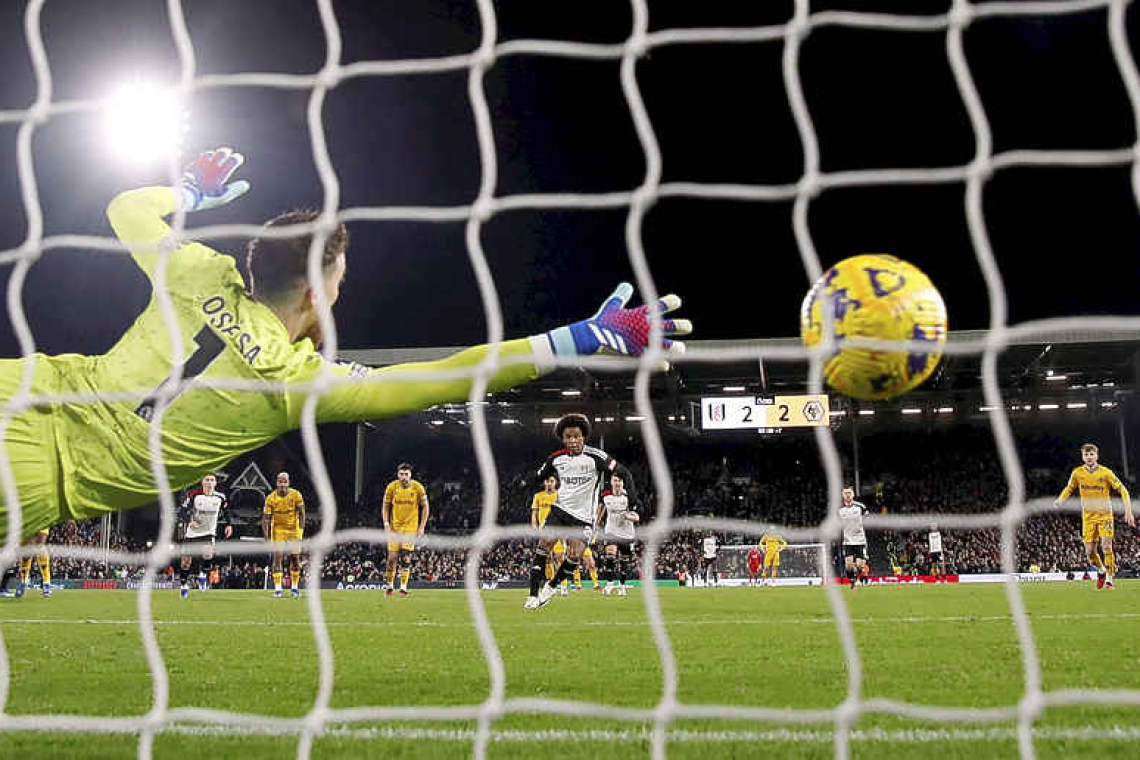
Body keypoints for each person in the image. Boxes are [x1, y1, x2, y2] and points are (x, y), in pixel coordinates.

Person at [0, 147, 690, 542]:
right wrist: (575, 338)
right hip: (37, 475)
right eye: (339, 280)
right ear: (314, 293)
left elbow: (125, 208)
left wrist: (188, 191)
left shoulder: (192, 268)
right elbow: (447, 375)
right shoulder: (293, 379)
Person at [525, 414, 630, 609]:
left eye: (576, 436)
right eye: (568, 437)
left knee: (575, 555)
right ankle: (532, 595)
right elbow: (539, 475)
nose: (572, 441)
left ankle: (551, 587)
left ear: (583, 437)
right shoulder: (556, 459)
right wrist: (525, 481)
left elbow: (623, 472)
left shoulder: (596, 457)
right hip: (560, 510)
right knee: (544, 544)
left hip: (583, 517)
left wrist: (634, 501)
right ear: (563, 439)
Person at [1054, 443, 1135, 589]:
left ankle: (1110, 579)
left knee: (1106, 546)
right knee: (1090, 553)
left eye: (1091, 454)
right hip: (1088, 517)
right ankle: (1101, 570)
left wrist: (1128, 510)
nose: (1089, 457)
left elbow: (1123, 490)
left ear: (1097, 456)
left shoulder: (1106, 473)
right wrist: (1060, 499)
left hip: (1104, 515)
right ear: (1083, 457)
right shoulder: (1077, 473)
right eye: (1086, 454)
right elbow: (1069, 488)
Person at [178, 473, 232, 599]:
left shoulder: (220, 497)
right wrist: (188, 521)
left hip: (209, 532)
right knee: (186, 562)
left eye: (212, 480)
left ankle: (203, 574)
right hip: (192, 533)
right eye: (207, 480)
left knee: (208, 554)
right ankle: (184, 585)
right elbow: (182, 511)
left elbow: (227, 511)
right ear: (202, 482)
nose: (209, 482)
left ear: (215, 483)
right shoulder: (194, 495)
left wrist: (229, 525)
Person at [382, 463, 429, 597]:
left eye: (406, 474)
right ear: (398, 474)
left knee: (406, 557)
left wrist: (421, 527)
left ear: (410, 475)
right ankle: (390, 585)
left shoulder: (418, 487)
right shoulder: (392, 487)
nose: (403, 477)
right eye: (401, 474)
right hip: (394, 528)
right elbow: (385, 506)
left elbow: (426, 507)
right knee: (392, 558)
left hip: (410, 528)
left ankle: (403, 587)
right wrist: (386, 524)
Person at [262, 472, 305, 598]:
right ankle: (278, 589)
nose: (282, 484)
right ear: (276, 483)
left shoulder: (296, 495)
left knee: (295, 558)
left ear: (288, 483)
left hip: (293, 529)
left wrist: (300, 530)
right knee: (278, 557)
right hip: (278, 530)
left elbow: (302, 513)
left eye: (285, 481)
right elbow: (265, 519)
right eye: (280, 482)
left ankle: (295, 588)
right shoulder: (271, 498)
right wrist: (266, 537)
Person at [599, 471, 639, 596]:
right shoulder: (605, 496)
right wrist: (595, 526)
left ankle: (622, 586)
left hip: (627, 532)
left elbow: (637, 517)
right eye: (615, 480)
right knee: (610, 553)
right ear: (611, 482)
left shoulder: (629, 498)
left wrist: (628, 516)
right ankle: (610, 583)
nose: (617, 483)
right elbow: (600, 510)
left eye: (619, 481)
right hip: (611, 530)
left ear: (623, 483)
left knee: (624, 561)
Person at [0, 529, 52, 598]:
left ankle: (46, 583)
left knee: (40, 543)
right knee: (26, 549)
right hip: (26, 522)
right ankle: (23, 583)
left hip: (39, 520)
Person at [530, 475, 559, 585]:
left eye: (551, 481)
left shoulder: (559, 495)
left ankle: (562, 583)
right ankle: (550, 580)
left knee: (559, 556)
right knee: (547, 557)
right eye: (547, 481)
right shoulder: (538, 496)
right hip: (544, 530)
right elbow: (534, 513)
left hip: (558, 529)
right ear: (544, 483)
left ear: (555, 482)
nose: (549, 483)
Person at [839, 486, 868, 590]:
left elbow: (867, 518)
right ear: (842, 495)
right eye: (845, 493)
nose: (847, 495)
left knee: (860, 566)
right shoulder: (839, 509)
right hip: (847, 541)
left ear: (853, 495)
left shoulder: (860, 507)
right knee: (848, 566)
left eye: (849, 493)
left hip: (860, 540)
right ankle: (852, 581)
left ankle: (855, 578)